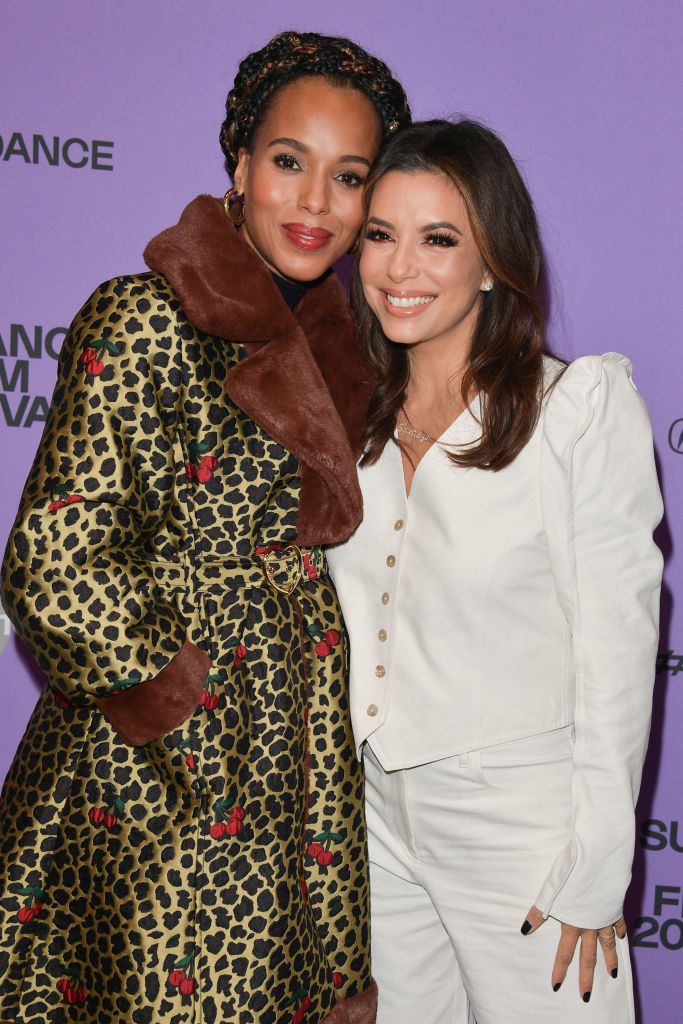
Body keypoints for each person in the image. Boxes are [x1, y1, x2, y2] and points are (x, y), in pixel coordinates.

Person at [0, 31, 410, 1024]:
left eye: (347, 176)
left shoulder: (349, 349)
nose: (314, 203)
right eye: (288, 161)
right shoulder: (143, 317)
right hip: (149, 776)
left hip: (296, 765)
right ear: (238, 163)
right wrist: (183, 700)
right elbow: (54, 560)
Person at [326, 119, 663, 1023]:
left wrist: (596, 866)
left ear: (490, 264)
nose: (400, 268)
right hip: (374, 818)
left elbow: (616, 649)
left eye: (438, 239)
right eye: (380, 235)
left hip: (523, 827)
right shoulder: (349, 422)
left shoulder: (574, 411)